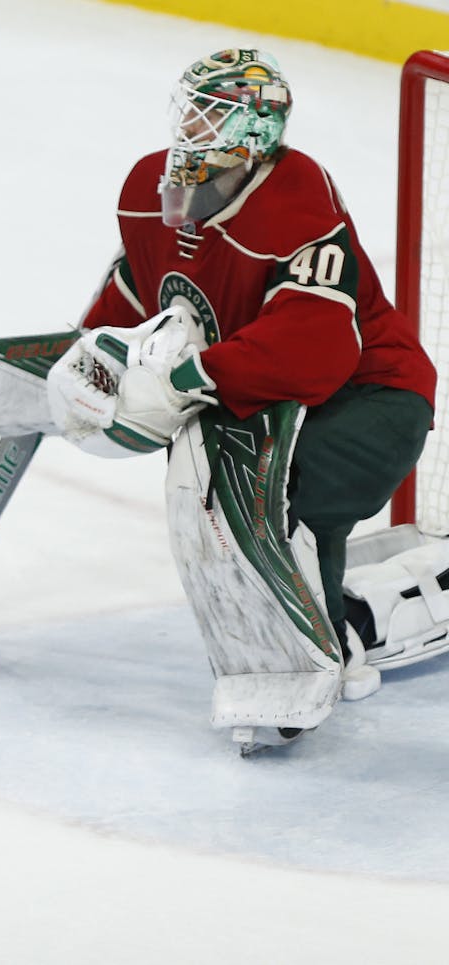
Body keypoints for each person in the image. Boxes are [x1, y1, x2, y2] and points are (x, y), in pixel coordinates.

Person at [45, 48, 435, 751]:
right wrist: (93, 361)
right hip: (271, 396)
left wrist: (186, 380)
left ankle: (321, 644)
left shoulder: (299, 199)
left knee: (280, 493)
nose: (192, 124)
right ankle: (327, 624)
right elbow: (135, 295)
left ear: (254, 131)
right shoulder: (151, 186)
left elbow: (318, 352)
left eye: (211, 112)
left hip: (374, 398)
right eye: (189, 107)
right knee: (237, 478)